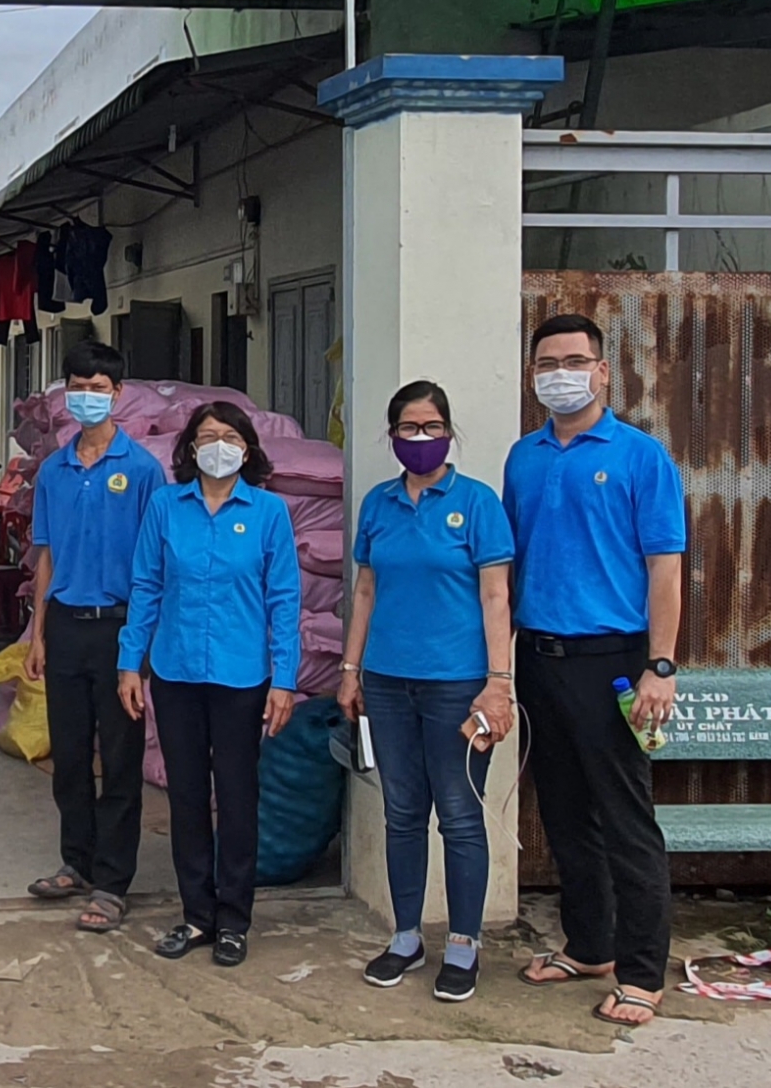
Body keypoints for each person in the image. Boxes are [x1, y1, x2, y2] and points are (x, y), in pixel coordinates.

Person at [504, 313, 686, 1028]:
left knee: (625, 818)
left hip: (613, 660)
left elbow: (664, 568)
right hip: (538, 656)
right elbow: (507, 566)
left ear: (604, 371)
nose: (561, 371)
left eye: (576, 359)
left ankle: (642, 973)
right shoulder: (523, 457)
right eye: (548, 361)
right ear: (532, 374)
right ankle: (589, 945)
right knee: (563, 813)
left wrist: (660, 666)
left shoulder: (642, 457)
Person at [340, 381, 515, 1004]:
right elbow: (365, 591)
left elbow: (496, 595)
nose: (420, 439)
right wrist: (350, 669)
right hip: (387, 682)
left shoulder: (478, 503)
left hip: (459, 686)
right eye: (408, 429)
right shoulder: (379, 504)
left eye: (431, 427)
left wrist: (499, 684)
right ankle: (407, 936)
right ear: (391, 436)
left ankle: (463, 943)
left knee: (461, 816)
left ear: (448, 431)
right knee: (402, 813)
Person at [118, 401, 300, 968]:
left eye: (229, 435)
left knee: (238, 798)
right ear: (189, 447)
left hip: (243, 677)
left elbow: (284, 600)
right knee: (188, 797)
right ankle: (197, 914)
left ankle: (234, 919)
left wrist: (285, 680)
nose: (218, 444)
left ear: (247, 448)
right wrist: (131, 663)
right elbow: (146, 585)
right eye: (207, 435)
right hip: (175, 673)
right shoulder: (166, 507)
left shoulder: (269, 512)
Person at [24, 340, 164, 933]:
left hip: (120, 629)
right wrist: (36, 633)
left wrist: (144, 643)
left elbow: (156, 562)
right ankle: (75, 863)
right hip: (64, 626)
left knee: (122, 759)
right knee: (71, 756)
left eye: (98, 387)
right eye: (77, 385)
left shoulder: (142, 470)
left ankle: (111, 883)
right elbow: (46, 555)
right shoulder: (54, 470)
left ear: (118, 393)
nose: (87, 395)